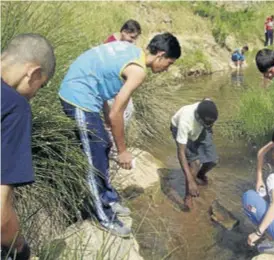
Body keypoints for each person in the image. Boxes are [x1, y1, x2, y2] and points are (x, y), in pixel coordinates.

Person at [59, 33, 181, 236]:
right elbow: (118, 112)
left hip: (87, 93)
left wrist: (108, 120)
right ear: (160, 55)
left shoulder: (132, 51)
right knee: (94, 159)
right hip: (78, 97)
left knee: (104, 144)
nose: (167, 69)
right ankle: (103, 217)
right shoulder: (138, 71)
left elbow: (104, 82)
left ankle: (108, 197)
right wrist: (123, 151)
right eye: (168, 63)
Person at [1, 34, 56, 260]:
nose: (34, 95)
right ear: (33, 72)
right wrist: (20, 248)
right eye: (40, 86)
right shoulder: (16, 108)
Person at [103, 20, 142, 159]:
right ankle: (113, 150)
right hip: (112, 88)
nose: (133, 41)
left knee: (127, 112)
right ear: (124, 32)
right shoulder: (112, 45)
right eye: (132, 37)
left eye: (135, 38)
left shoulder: (120, 41)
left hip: (119, 86)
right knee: (117, 117)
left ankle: (114, 147)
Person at [171, 99, 219, 210]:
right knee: (195, 163)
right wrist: (190, 181)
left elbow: (207, 99)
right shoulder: (185, 122)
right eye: (208, 124)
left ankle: (199, 175)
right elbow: (181, 152)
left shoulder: (208, 107)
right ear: (197, 117)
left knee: (213, 160)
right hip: (180, 129)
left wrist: (209, 128)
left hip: (202, 128)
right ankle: (188, 196)